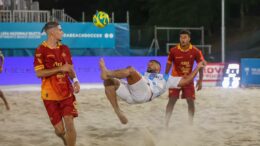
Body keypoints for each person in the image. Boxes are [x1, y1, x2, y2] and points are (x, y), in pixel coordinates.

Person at [99, 58, 206, 124]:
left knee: (130, 69)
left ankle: (107, 73)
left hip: (145, 93)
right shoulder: (144, 75)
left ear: (158, 67)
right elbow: (126, 76)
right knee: (108, 82)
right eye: (148, 63)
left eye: (152, 63)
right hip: (130, 94)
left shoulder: (165, 77)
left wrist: (197, 67)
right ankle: (118, 111)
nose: (149, 64)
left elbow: (186, 81)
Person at [33, 22, 80, 146]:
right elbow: (39, 73)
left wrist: (75, 80)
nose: (62, 32)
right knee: (60, 131)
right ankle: (64, 139)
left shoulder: (65, 48)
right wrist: (59, 69)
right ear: (52, 32)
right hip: (49, 95)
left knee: (69, 122)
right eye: (60, 30)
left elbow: (69, 68)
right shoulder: (40, 50)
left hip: (66, 92)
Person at [165, 29, 205, 127]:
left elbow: (201, 65)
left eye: (185, 37)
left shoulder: (196, 51)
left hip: (188, 79)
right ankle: (166, 124)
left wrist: (200, 80)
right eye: (181, 37)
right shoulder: (173, 50)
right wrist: (165, 76)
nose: (183, 39)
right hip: (175, 79)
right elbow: (169, 63)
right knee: (172, 100)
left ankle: (190, 124)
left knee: (190, 101)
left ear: (189, 39)